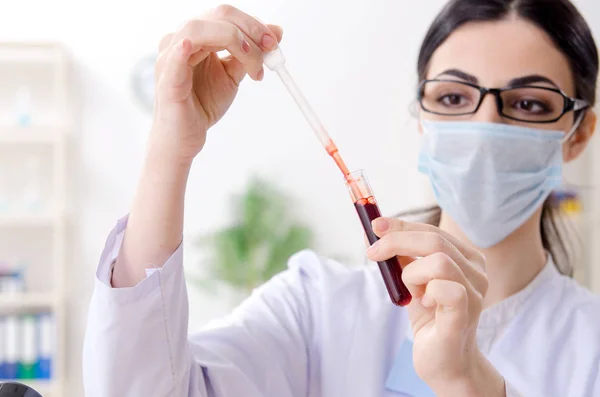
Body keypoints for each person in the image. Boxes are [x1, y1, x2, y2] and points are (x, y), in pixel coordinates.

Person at [82, 0, 600, 396]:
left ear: (579, 133)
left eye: (529, 103)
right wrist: (170, 149)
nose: (484, 126)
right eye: (453, 97)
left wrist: (472, 385)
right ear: (422, 119)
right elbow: (142, 386)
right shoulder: (318, 306)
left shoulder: (590, 346)